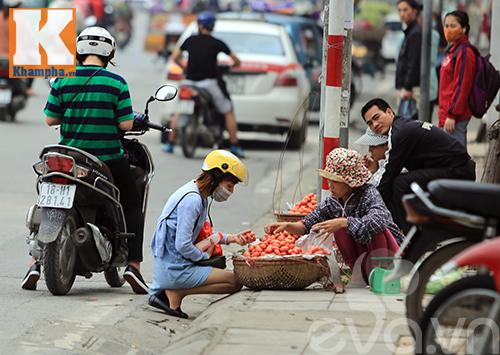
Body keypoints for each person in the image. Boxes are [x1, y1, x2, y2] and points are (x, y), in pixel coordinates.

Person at [21, 26, 149, 294]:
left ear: (78, 52)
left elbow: (50, 119)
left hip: (69, 157)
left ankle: (34, 263)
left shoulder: (62, 80)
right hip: (107, 159)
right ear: (110, 53)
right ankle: (134, 266)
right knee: (132, 204)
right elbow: (125, 124)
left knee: (49, 199)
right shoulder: (116, 83)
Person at [265, 148, 403, 283]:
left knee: (369, 229)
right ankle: (361, 274)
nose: (330, 186)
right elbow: (307, 224)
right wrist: (287, 226)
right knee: (340, 230)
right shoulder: (333, 202)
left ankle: (384, 274)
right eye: (328, 180)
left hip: (390, 252)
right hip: (365, 255)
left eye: (335, 181)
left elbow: (379, 221)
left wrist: (345, 222)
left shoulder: (369, 194)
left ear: (350, 181)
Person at [148, 150, 255, 318]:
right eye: (229, 185)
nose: (231, 192)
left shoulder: (199, 195)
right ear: (217, 177)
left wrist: (232, 238)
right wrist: (203, 259)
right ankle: (175, 292)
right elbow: (182, 245)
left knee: (229, 276)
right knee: (235, 281)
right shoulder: (193, 200)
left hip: (173, 265)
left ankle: (174, 292)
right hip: (175, 268)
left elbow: (205, 235)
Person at [361, 98, 476, 233]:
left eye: (376, 117)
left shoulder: (400, 133)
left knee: (399, 183)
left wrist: (371, 206)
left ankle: (406, 234)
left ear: (389, 112)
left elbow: (389, 174)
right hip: (453, 167)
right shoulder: (401, 126)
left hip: (458, 170)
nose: (374, 125)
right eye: (370, 123)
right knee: (400, 181)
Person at [165, 11, 245, 158]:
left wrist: (185, 69)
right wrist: (227, 67)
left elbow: (175, 57)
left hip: (188, 82)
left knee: (179, 110)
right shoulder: (217, 43)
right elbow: (237, 61)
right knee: (227, 110)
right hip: (209, 83)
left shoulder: (189, 40)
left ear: (199, 25)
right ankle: (235, 144)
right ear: (212, 26)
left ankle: (170, 143)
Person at [438, 10, 477, 148]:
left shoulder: (465, 53)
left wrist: (452, 114)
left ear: (464, 28)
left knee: (456, 157)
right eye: (446, 26)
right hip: (446, 113)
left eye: (453, 26)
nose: (448, 30)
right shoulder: (453, 50)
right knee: (448, 156)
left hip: (455, 116)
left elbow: (462, 86)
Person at [395, 0, 421, 104]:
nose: (402, 14)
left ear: (414, 11)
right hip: (407, 88)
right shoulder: (410, 31)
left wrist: (407, 87)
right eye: (399, 10)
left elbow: (413, 62)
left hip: (411, 91)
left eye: (405, 10)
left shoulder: (415, 33)